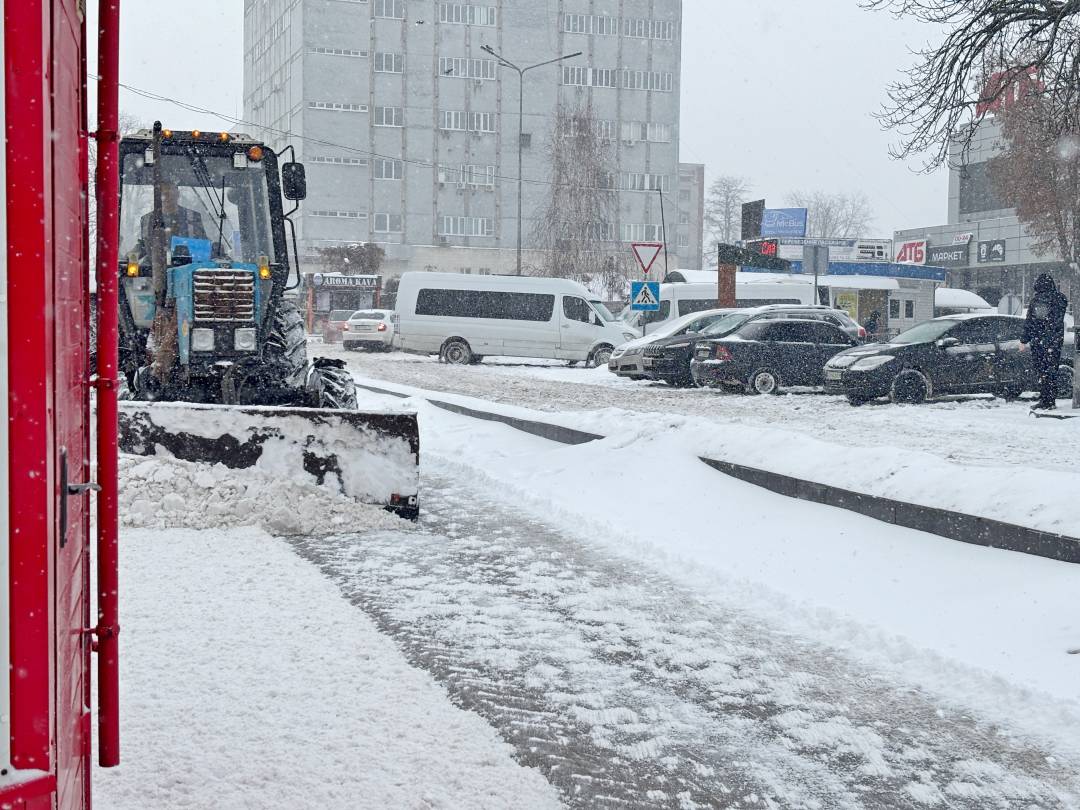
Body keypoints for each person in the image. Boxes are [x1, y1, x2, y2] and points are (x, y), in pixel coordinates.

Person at [1020, 273, 1068, 410]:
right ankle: (1050, 399)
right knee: (1051, 372)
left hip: (1039, 341)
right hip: (1055, 342)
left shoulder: (1037, 300)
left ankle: (1046, 399)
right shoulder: (1060, 299)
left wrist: (1024, 340)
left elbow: (1030, 322)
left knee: (1042, 372)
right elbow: (1056, 320)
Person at [139, 181, 207, 246]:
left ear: (178, 194)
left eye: (170, 193)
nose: (167, 197)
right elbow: (144, 247)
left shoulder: (193, 217)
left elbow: (203, 247)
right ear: (157, 196)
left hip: (189, 258)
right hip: (157, 258)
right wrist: (136, 251)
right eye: (164, 194)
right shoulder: (147, 220)